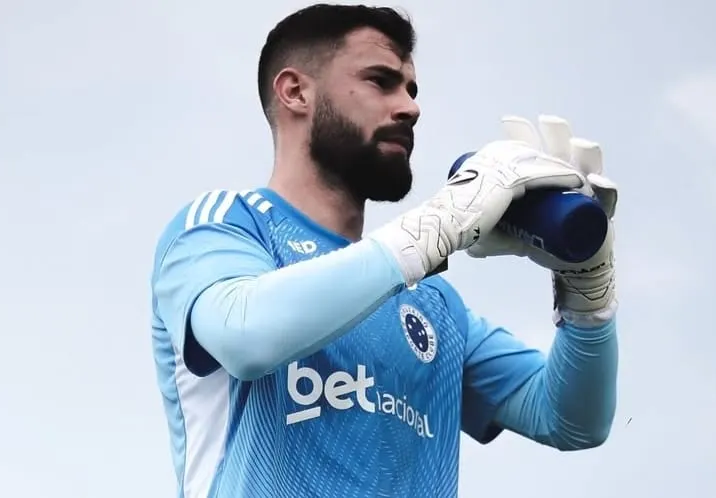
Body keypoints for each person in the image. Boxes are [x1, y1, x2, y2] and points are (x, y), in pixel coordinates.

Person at [149, 4, 620, 497]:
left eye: (412, 90)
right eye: (381, 81)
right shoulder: (227, 224)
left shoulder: (432, 302)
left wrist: (588, 288)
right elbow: (245, 337)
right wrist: (434, 228)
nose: (410, 107)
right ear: (296, 92)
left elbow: (571, 420)